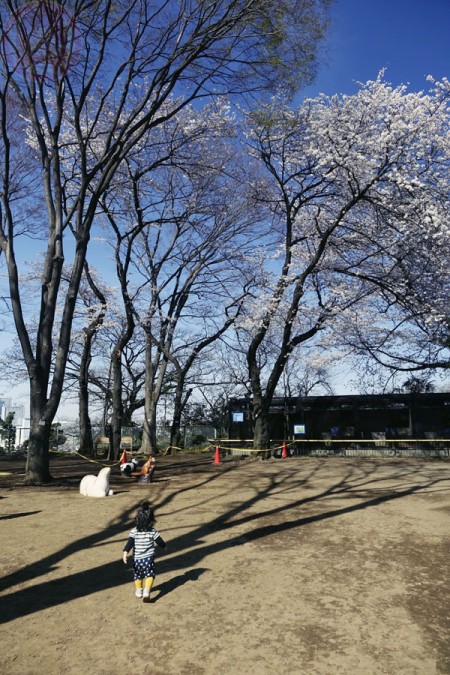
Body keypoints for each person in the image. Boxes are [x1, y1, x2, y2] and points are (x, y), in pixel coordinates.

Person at [122, 500, 166, 602]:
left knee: (138, 575)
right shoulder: (152, 531)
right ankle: (146, 591)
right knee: (150, 575)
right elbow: (160, 541)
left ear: (137, 519)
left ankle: (139, 590)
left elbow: (129, 543)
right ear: (151, 520)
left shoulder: (134, 531)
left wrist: (125, 553)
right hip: (149, 559)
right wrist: (164, 547)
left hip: (137, 560)